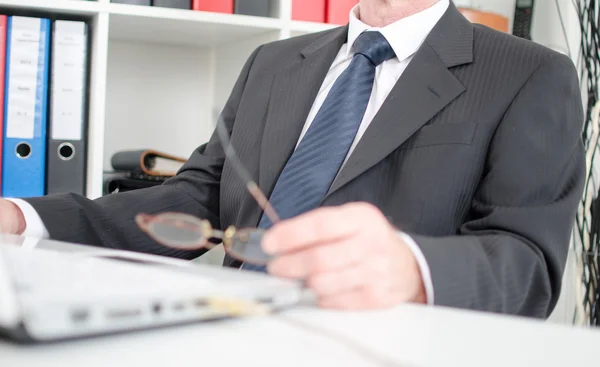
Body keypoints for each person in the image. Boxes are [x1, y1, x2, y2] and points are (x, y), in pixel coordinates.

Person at [0, 0, 585, 316]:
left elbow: (528, 263)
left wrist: (413, 269)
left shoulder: (530, 73)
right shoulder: (272, 62)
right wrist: (29, 218)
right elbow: (202, 195)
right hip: (224, 328)